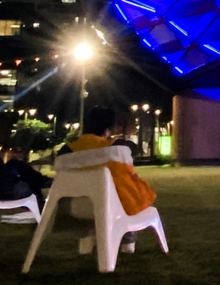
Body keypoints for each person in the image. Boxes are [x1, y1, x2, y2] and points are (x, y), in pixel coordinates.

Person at [61, 107, 156, 253]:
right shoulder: (116, 148)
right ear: (108, 129)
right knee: (129, 190)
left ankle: (87, 236)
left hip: (74, 208)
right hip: (112, 206)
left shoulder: (66, 151)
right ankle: (127, 239)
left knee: (92, 198)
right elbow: (129, 174)